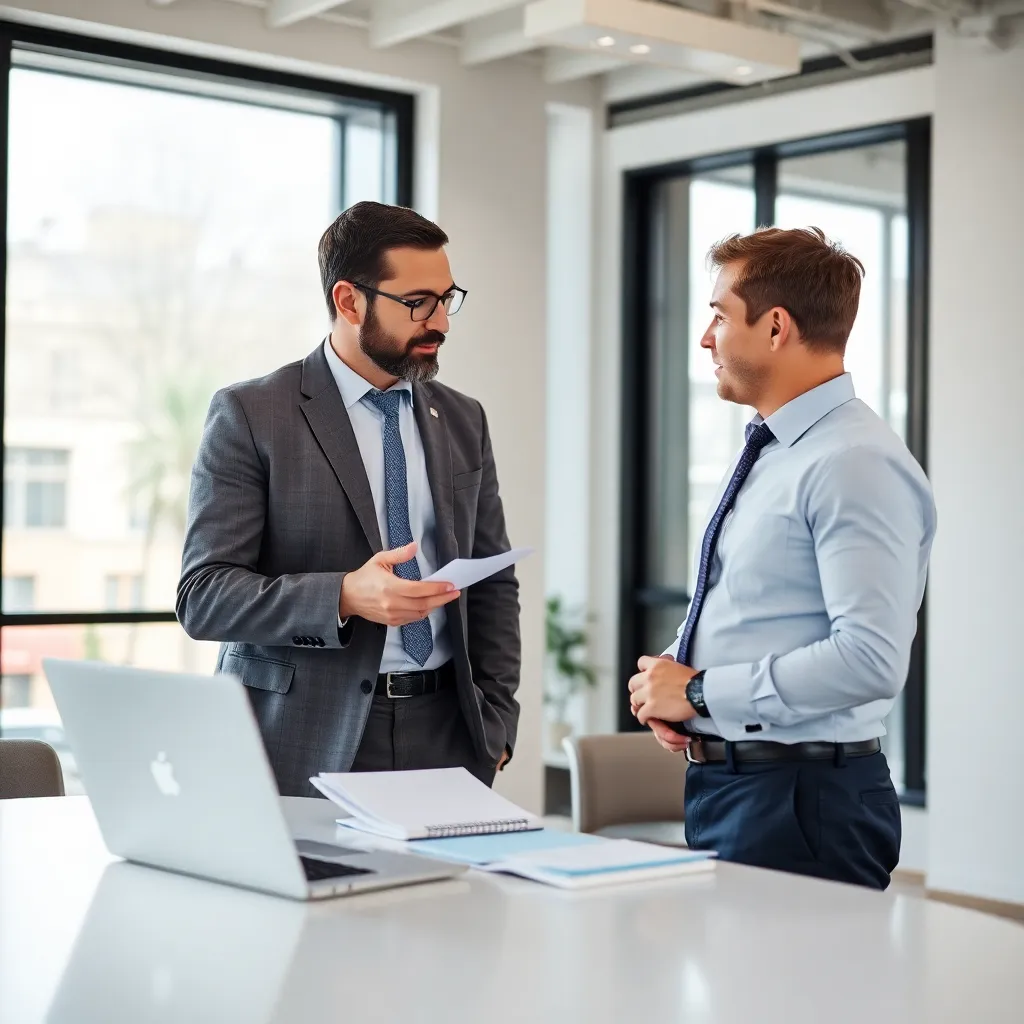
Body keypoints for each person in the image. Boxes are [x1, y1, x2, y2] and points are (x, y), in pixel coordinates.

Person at [178, 202, 520, 797]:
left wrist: (498, 723)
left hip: (449, 735)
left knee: (441, 895)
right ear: (349, 300)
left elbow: (494, 582)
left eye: (447, 298)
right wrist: (343, 595)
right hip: (305, 736)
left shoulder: (463, 418)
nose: (439, 321)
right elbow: (203, 597)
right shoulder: (253, 414)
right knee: (317, 893)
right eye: (417, 303)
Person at [628, 227, 935, 890]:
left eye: (717, 316)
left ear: (774, 327)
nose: (705, 339)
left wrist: (704, 691)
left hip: (802, 803)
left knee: (795, 996)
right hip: (746, 789)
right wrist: (685, 697)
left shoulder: (853, 462)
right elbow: (761, 607)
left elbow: (870, 659)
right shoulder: (780, 449)